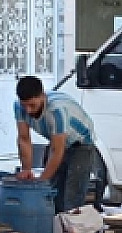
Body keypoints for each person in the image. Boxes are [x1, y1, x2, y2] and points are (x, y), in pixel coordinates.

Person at [13, 75, 97, 214]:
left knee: (71, 197)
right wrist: (26, 169)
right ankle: (53, 228)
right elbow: (24, 139)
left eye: (32, 105)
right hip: (55, 141)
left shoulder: (56, 111)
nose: (28, 110)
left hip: (81, 144)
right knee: (52, 193)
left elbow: (57, 151)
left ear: (42, 96)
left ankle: (72, 232)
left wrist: (41, 182)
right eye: (24, 105)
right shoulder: (18, 106)